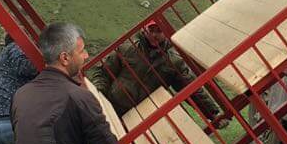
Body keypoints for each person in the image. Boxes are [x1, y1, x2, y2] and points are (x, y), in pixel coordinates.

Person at [93, 22, 229, 128]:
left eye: (159, 31)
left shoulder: (174, 61)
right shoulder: (128, 48)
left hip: (142, 118)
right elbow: (104, 72)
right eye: (151, 30)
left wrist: (214, 114)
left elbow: (191, 88)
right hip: (112, 106)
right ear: (144, 30)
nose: (155, 35)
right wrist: (99, 96)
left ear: (166, 33)